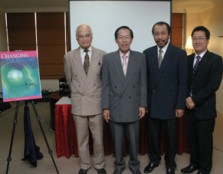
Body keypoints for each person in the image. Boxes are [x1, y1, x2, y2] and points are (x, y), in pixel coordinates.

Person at [143, 21, 188, 174]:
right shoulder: (147, 53)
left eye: (163, 33)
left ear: (169, 34)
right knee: (153, 136)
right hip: (153, 103)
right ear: (153, 35)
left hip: (171, 104)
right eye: (157, 33)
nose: (160, 37)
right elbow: (144, 81)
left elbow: (183, 82)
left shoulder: (179, 54)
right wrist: (144, 103)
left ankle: (170, 162)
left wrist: (180, 105)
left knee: (171, 138)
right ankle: (154, 160)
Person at [101, 26, 147, 174]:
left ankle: (134, 165)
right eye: (121, 37)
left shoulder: (140, 57)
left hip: (133, 104)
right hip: (115, 105)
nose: (124, 40)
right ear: (116, 40)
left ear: (131, 39)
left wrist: (143, 104)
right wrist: (105, 107)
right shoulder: (108, 58)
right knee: (117, 140)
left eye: (127, 37)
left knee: (134, 140)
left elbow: (142, 83)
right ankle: (119, 165)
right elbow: (106, 85)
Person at [64, 24, 106, 174]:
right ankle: (85, 164)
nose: (84, 39)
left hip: (96, 101)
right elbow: (69, 80)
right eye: (81, 36)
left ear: (92, 36)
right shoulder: (69, 56)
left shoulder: (102, 54)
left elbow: (104, 80)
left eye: (87, 35)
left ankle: (100, 164)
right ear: (76, 38)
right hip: (79, 102)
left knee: (98, 138)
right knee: (82, 138)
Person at [181, 26, 223, 174]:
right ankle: (194, 163)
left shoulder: (216, 60)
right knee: (192, 140)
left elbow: (213, 85)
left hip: (204, 108)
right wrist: (186, 100)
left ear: (207, 40)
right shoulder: (187, 59)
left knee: (204, 141)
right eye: (195, 38)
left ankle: (205, 168)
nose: (197, 41)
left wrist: (194, 99)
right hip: (189, 108)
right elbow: (184, 82)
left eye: (201, 38)